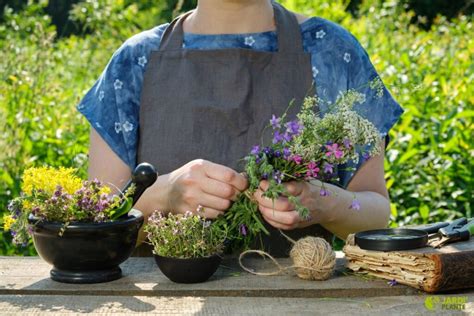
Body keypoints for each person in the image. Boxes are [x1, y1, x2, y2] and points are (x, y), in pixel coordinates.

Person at [77, 0, 403, 256]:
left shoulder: (332, 53)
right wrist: (161, 196)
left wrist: (325, 202)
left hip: (301, 301)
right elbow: (91, 231)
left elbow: (376, 213)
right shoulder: (135, 62)